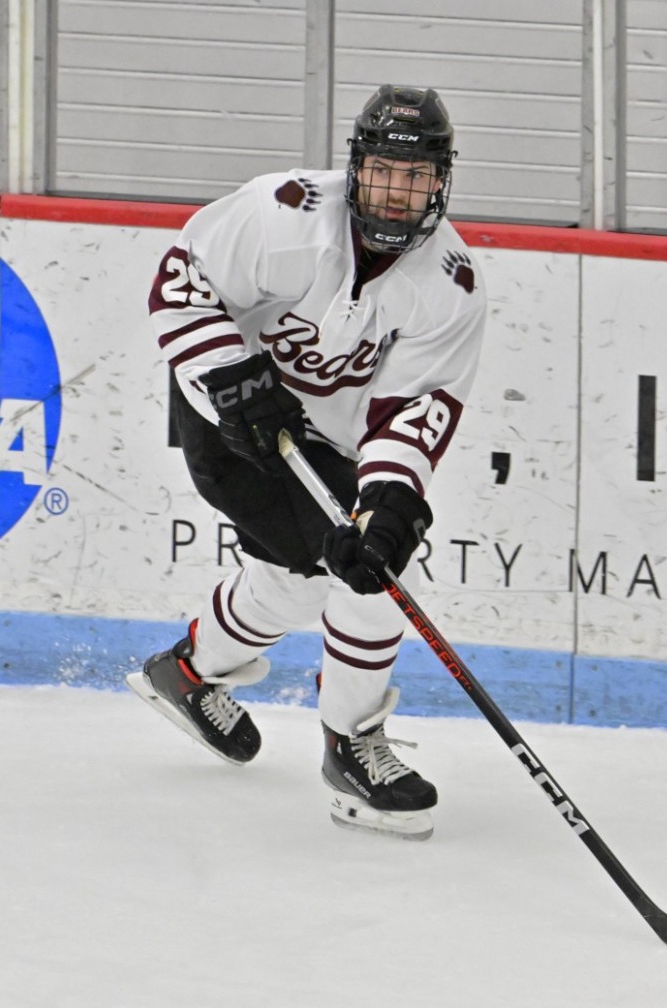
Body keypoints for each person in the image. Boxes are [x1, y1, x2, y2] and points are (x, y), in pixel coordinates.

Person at [127, 85, 486, 842]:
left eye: (418, 177)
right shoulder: (279, 212)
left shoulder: (448, 286)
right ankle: (351, 746)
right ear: (356, 168)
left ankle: (189, 673)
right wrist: (232, 377)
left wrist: (390, 500)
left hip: (332, 439)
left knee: (333, 567)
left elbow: (409, 410)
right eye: (386, 170)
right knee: (369, 581)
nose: (398, 192)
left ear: (442, 182)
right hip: (230, 414)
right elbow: (180, 287)